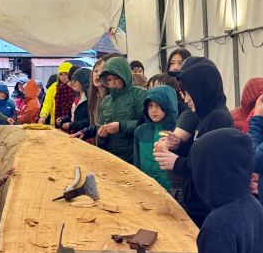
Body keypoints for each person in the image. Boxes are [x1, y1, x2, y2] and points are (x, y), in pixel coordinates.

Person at [154, 56, 233, 226]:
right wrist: (179, 147)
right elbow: (199, 152)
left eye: (187, 92)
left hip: (205, 207)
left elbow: (209, 165)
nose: (185, 98)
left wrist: (176, 163)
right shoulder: (205, 116)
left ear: (201, 89)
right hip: (197, 200)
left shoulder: (218, 119)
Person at [96, 57, 147, 163]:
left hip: (134, 155)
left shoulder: (139, 94)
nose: (113, 83)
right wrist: (100, 136)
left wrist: (121, 126)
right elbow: (100, 125)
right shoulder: (106, 100)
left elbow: (146, 123)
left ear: (125, 75)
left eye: (116, 78)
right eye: (109, 80)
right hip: (110, 157)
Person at [134, 85, 178, 191]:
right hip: (146, 189)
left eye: (158, 105)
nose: (153, 110)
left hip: (171, 191)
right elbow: (136, 164)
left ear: (168, 105)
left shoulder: (177, 132)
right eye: (150, 105)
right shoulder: (140, 131)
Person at [60, 68, 91, 134]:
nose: (73, 82)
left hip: (85, 136)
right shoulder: (77, 96)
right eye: (72, 80)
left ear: (83, 81)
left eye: (76, 80)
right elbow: (75, 116)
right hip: (75, 133)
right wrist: (64, 119)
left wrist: (72, 124)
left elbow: (89, 121)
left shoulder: (90, 99)